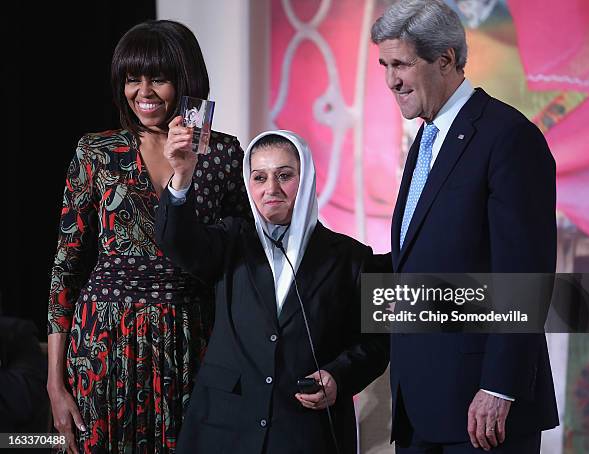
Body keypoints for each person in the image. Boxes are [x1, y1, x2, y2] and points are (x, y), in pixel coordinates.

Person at [47, 20, 250, 454]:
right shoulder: (96, 152)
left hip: (192, 339)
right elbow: (65, 269)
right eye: (131, 79)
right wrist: (54, 382)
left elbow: (237, 259)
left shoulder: (225, 153)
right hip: (104, 341)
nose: (143, 92)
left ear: (185, 79)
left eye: (157, 78)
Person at [370, 1, 559, 453]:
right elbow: (418, 260)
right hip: (420, 404)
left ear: (446, 59)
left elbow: (525, 274)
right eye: (384, 65)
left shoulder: (509, 137)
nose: (391, 80)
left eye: (401, 64)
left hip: (483, 410)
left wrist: (499, 387)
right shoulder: (425, 140)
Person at [155, 127, 390, 453]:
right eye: (259, 177)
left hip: (305, 430)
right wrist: (182, 176)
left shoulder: (352, 257)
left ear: (306, 178)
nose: (271, 189)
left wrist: (338, 377)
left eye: (284, 176)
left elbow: (376, 343)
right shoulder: (231, 239)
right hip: (224, 428)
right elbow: (176, 240)